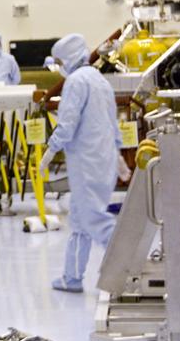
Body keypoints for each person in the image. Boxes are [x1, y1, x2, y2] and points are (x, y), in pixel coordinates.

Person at [39, 34, 130, 292]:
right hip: (102, 160)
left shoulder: (76, 82)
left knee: (92, 219)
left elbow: (67, 125)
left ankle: (128, 268)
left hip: (86, 162)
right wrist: (119, 159)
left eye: (59, 60)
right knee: (80, 219)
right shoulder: (99, 81)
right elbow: (112, 124)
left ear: (68, 57)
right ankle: (72, 277)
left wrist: (50, 151)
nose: (57, 66)